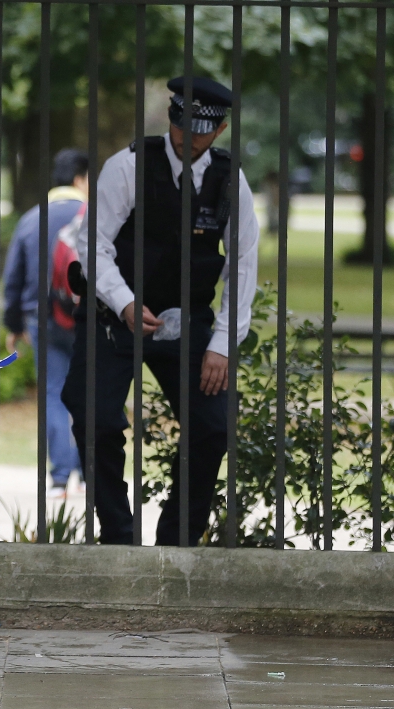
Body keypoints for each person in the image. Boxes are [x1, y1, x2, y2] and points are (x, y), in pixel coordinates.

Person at [61, 76, 259, 546]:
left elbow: (244, 264)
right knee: (94, 416)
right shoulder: (127, 166)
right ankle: (118, 534)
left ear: (221, 129)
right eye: (180, 125)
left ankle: (178, 541)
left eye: (199, 130)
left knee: (212, 427)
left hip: (187, 319)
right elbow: (92, 247)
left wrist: (222, 344)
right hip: (114, 314)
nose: (186, 138)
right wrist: (126, 302)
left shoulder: (230, 180)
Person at [3, 148, 88, 494]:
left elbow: (14, 277)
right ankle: (88, 469)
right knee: (90, 392)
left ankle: (60, 476)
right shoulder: (94, 216)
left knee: (53, 392)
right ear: (81, 179)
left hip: (42, 318)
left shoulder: (32, 219)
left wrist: (13, 324)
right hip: (89, 320)